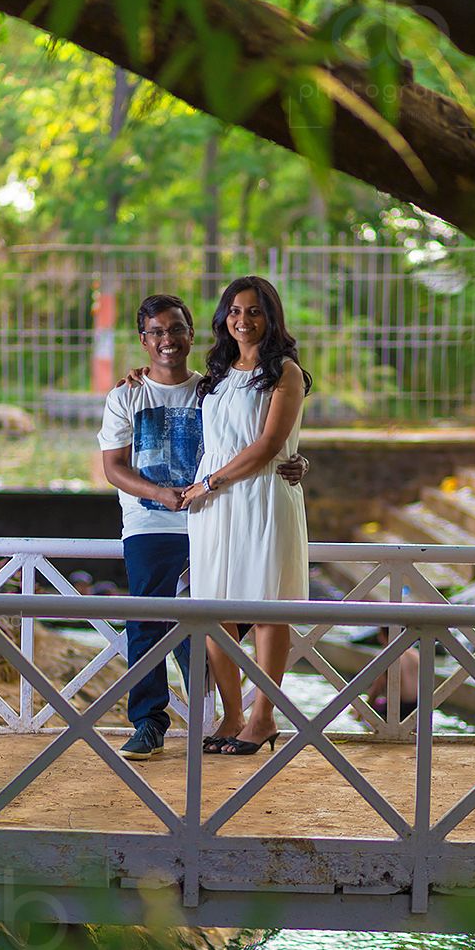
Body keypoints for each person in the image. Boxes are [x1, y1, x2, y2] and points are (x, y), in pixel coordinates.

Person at [98, 292, 306, 762]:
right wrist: (162, 495)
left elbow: (262, 435)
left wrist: (296, 461)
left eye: (175, 329)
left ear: (192, 333)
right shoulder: (130, 393)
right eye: (156, 332)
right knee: (151, 618)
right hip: (154, 520)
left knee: (237, 613)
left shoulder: (209, 383)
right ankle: (153, 722)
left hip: (218, 513)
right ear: (143, 340)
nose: (167, 340)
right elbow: (112, 467)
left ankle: (230, 715)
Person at [180, 276, 312, 755]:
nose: (243, 320)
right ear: (223, 318)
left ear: (270, 317)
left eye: (254, 311)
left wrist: (210, 483)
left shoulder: (286, 373)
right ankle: (232, 714)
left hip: (260, 497)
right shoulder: (214, 373)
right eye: (234, 311)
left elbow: (269, 446)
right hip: (213, 507)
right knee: (213, 610)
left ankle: (263, 716)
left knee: (266, 608)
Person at [365, 627, 420, 722]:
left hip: (399, 707)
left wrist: (362, 711)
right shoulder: (415, 653)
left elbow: (377, 688)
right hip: (417, 706)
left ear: (382, 635)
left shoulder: (387, 656)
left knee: (358, 711)